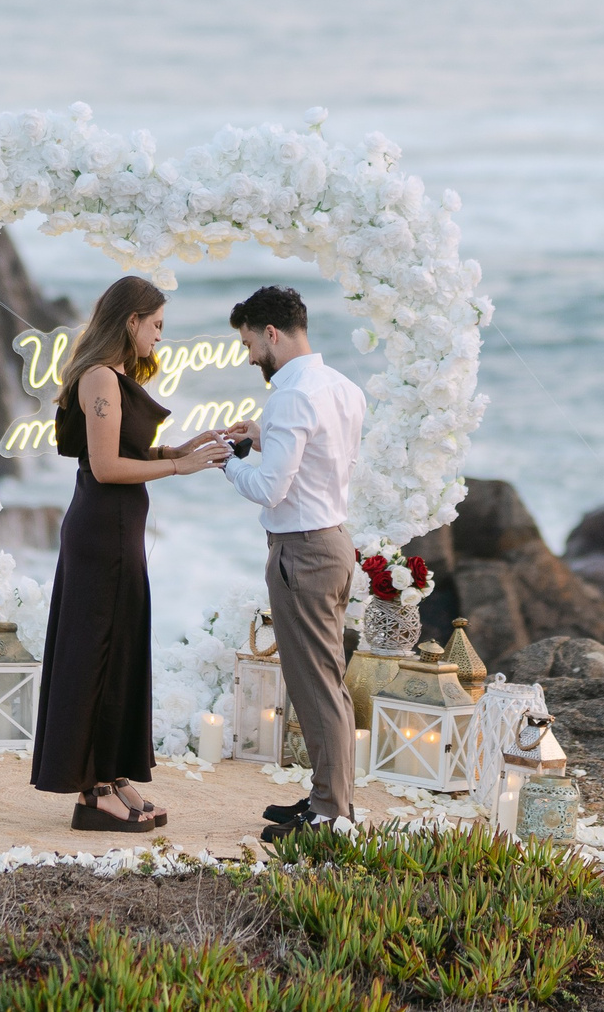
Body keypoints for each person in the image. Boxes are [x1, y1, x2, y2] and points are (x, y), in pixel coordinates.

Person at [30, 275, 234, 831]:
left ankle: (114, 774)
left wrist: (178, 449)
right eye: (156, 324)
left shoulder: (115, 376)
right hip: (102, 532)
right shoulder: (100, 376)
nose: (160, 336)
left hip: (118, 530)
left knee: (118, 653)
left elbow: (127, 451)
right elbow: (105, 468)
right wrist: (179, 467)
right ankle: (93, 793)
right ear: (131, 320)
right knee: (97, 654)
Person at [216, 285, 367, 842]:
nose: (249, 356)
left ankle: (329, 816)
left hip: (301, 553)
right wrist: (262, 439)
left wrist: (226, 462)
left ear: (272, 333)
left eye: (249, 343)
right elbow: (322, 462)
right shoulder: (343, 388)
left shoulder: (289, 396)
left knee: (315, 686)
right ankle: (329, 798)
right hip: (334, 543)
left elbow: (270, 489)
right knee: (327, 681)